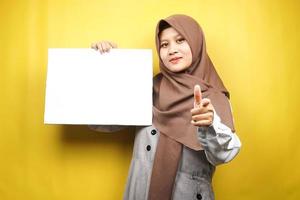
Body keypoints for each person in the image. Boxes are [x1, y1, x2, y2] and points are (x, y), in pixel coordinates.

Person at [89, 14, 242, 200]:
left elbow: (224, 155)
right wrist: (104, 65)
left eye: (180, 40)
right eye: (164, 44)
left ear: (196, 43)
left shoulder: (214, 98)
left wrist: (210, 125)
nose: (172, 50)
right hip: (141, 193)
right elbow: (105, 122)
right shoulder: (149, 89)